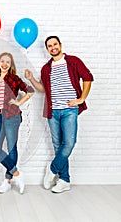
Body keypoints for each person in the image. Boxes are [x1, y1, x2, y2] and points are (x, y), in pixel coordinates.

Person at [25, 35, 94, 193]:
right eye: (49, 46)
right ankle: (64, 180)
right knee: (58, 145)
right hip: (53, 112)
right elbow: (43, 89)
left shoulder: (73, 61)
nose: (53, 47)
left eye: (55, 44)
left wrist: (81, 98)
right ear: (47, 49)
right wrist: (31, 79)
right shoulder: (46, 69)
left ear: (60, 45)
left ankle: (52, 169)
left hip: (70, 110)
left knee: (69, 143)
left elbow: (88, 78)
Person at [0, 52, 34, 194]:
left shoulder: (14, 78)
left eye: (8, 62)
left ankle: (7, 181)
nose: (4, 64)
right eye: (2, 61)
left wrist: (18, 102)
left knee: (12, 148)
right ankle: (17, 174)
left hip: (12, 115)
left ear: (11, 65)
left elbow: (30, 91)